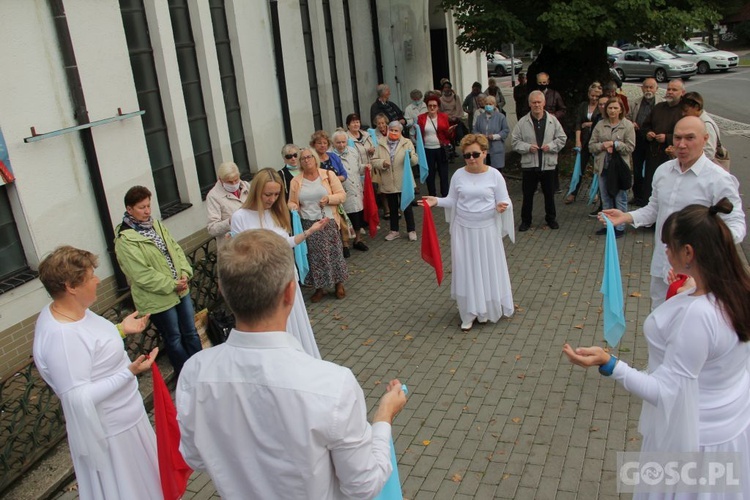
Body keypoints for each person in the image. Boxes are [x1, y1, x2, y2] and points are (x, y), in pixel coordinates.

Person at [176, 229, 407, 499]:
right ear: (290, 292)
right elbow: (364, 485)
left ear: (223, 292)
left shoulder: (194, 372)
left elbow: (195, 457)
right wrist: (383, 418)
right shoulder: (332, 384)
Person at [564, 198, 750, 498]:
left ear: (688, 252)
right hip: (731, 428)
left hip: (692, 439)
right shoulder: (737, 289)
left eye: (668, 246)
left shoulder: (699, 315)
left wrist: (610, 364)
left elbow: (667, 393)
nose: (664, 251)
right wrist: (689, 287)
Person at [33, 246, 161, 500]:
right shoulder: (62, 337)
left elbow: (92, 348)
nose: (98, 280)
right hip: (112, 435)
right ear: (71, 286)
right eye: (91, 276)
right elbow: (77, 397)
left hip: (128, 419)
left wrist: (120, 330)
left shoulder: (76, 310)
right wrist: (129, 372)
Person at [601, 116, 745, 310]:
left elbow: (736, 224)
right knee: (659, 321)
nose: (682, 144)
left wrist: (709, 248)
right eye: (677, 138)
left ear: (705, 139)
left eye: (689, 138)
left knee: (690, 328)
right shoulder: (663, 171)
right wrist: (626, 217)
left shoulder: (719, 179)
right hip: (663, 264)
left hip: (698, 274)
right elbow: (654, 209)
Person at [421, 134, 514, 331]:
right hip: (463, 230)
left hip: (487, 230)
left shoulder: (495, 175)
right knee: (467, 269)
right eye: (467, 155)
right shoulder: (458, 175)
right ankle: (469, 312)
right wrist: (436, 201)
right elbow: (453, 200)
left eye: (475, 154)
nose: (471, 159)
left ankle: (485, 310)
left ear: (484, 153)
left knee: (486, 268)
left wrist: (501, 207)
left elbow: (505, 199)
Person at [230, 168, 327, 358]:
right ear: (257, 191)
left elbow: (286, 243)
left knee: (294, 323)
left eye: (276, 194)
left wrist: (309, 232)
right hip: (263, 283)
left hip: (286, 276)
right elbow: (240, 256)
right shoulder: (239, 217)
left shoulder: (275, 213)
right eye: (268, 194)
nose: (272, 199)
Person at [115, 186, 201, 375]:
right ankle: (188, 375)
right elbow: (141, 274)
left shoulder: (156, 225)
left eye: (148, 206)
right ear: (129, 210)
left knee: (190, 331)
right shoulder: (125, 240)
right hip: (158, 298)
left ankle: (201, 369)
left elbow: (175, 249)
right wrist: (172, 284)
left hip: (180, 287)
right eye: (141, 207)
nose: (147, 211)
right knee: (174, 337)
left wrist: (185, 272)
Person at [288, 148, 349, 302]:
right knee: (315, 256)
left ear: (315, 158)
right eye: (303, 158)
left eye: (309, 157)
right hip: (308, 222)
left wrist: (328, 199)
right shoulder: (296, 181)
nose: (306, 160)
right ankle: (319, 287)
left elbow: (342, 195)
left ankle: (338, 283)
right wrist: (292, 206)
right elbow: (292, 201)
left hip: (327, 220)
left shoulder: (328, 175)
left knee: (333, 252)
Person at [511, 90, 567, 232]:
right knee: (528, 195)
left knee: (549, 194)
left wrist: (552, 146)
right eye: (534, 102)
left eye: (539, 102)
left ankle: (551, 219)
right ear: (529, 104)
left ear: (544, 103)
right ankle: (525, 221)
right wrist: (527, 147)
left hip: (548, 164)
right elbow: (514, 142)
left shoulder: (553, 120)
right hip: (530, 165)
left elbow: (562, 138)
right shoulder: (522, 122)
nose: (536, 105)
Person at [589, 97, 635, 238]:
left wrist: (615, 144)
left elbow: (630, 147)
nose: (612, 111)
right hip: (604, 168)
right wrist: (603, 145)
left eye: (615, 108)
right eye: (610, 108)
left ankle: (620, 227)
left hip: (619, 169)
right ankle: (608, 225)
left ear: (621, 109)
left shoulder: (627, 125)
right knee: (606, 198)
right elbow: (591, 146)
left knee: (620, 198)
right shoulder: (600, 124)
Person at [372, 121, 419, 241]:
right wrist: (382, 163)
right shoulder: (381, 143)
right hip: (388, 181)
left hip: (404, 181)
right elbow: (374, 161)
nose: (393, 132)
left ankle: (411, 230)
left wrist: (410, 157)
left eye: (396, 130)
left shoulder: (407, 143)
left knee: (407, 206)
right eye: (391, 130)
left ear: (400, 132)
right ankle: (394, 231)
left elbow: (415, 160)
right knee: (392, 208)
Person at [641, 78, 686, 202]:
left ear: (682, 92)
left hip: (672, 155)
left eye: (674, 90)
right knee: (651, 184)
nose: (670, 92)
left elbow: (687, 135)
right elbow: (646, 125)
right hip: (654, 154)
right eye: (669, 89)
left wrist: (667, 138)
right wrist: (648, 133)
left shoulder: (684, 111)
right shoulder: (659, 107)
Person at [331, 129, 369, 252]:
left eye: (343, 142)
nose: (341, 145)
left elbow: (359, 168)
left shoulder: (353, 151)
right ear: (333, 143)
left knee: (357, 215)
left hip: (356, 187)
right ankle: (345, 243)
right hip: (342, 191)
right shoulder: (331, 156)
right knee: (344, 218)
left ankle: (358, 240)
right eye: (338, 143)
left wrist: (366, 167)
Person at [627, 78, 662, 207]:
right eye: (646, 87)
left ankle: (650, 196)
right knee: (636, 169)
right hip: (637, 139)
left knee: (651, 170)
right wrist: (631, 123)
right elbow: (627, 118)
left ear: (656, 89)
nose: (648, 90)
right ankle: (637, 196)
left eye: (651, 87)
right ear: (641, 88)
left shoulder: (661, 104)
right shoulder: (634, 103)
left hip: (653, 141)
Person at [567, 82, 603, 204]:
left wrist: (588, 124)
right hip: (584, 140)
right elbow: (578, 123)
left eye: (597, 97)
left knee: (596, 169)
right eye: (592, 96)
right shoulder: (583, 106)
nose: (594, 99)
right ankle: (573, 192)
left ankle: (595, 192)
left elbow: (602, 123)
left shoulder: (602, 107)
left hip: (596, 142)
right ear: (588, 94)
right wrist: (578, 140)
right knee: (579, 167)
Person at [417, 95, 455, 197]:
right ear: (427, 107)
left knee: (443, 172)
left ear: (438, 107)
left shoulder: (443, 117)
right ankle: (432, 194)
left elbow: (448, 135)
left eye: (434, 105)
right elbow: (418, 134)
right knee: (430, 173)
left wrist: (450, 131)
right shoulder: (421, 118)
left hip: (441, 148)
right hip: (427, 149)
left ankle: (445, 193)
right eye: (430, 106)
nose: (432, 108)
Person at [205, 161, 250, 246]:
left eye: (236, 180)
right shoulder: (213, 196)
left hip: (252, 240)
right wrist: (230, 221)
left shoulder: (246, 186)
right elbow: (212, 229)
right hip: (232, 247)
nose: (234, 184)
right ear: (220, 180)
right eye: (229, 182)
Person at [472, 95, 510, 171]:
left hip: (496, 149)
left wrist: (495, 136)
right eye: (486, 104)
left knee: (496, 172)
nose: (488, 106)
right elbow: (474, 130)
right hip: (483, 149)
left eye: (490, 104)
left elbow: (505, 130)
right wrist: (480, 136)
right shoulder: (480, 117)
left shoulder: (501, 117)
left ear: (495, 105)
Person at [680, 91, 720, 160]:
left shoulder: (706, 124)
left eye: (686, 110)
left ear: (696, 107)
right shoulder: (694, 121)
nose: (683, 114)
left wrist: (686, 153)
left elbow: (709, 153)